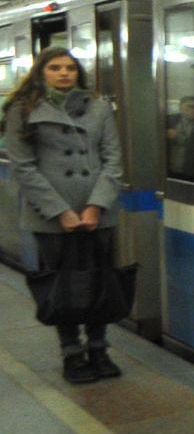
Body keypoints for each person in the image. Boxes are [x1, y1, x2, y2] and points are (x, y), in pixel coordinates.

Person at [3, 46, 126, 383]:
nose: (64, 73)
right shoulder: (22, 110)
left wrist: (96, 205)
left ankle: (99, 349)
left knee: (100, 280)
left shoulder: (99, 108)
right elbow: (24, 168)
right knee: (63, 286)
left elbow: (113, 159)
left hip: (97, 213)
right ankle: (72, 354)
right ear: (41, 72)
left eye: (70, 68)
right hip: (51, 217)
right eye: (55, 67)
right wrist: (60, 212)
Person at [165, 94, 194, 179]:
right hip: (170, 170)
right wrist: (164, 134)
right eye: (191, 107)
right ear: (181, 107)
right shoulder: (169, 120)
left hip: (192, 171)